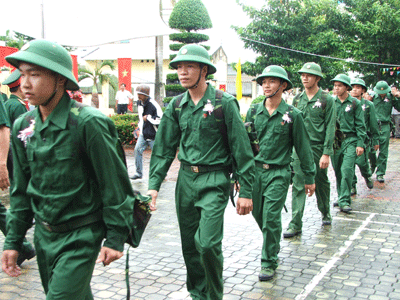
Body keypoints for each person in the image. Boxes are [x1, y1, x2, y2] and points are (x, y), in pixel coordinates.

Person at [1, 40, 135, 299]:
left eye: (35, 74)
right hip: (44, 235)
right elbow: (20, 191)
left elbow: (114, 185)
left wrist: (116, 236)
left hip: (81, 236)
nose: (25, 83)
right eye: (23, 74)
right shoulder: (23, 125)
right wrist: (13, 240)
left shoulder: (88, 123)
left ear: (60, 80)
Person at [147, 44, 254, 299]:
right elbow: (163, 149)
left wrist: (246, 190)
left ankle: (214, 296)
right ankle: (198, 294)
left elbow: (242, 150)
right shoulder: (176, 106)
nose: (182, 72)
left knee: (207, 245)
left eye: (190, 66)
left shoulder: (223, 103)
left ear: (204, 70)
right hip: (185, 180)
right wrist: (153, 186)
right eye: (179, 67)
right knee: (189, 248)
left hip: (214, 179)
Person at [245, 65, 316, 280]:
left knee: (271, 217)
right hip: (256, 173)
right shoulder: (253, 111)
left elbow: (303, 148)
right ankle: (272, 242)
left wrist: (310, 178)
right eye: (264, 82)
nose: (266, 85)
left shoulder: (293, 115)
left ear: (283, 85)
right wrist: (239, 176)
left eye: (272, 81)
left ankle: (268, 261)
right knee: (259, 215)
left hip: (279, 173)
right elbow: (245, 146)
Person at [284, 62, 335, 239]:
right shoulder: (297, 99)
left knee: (321, 182)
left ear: (317, 78)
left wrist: (326, 153)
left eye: (309, 75)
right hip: (299, 150)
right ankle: (296, 223)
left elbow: (330, 127)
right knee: (298, 184)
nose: (305, 78)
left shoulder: (327, 99)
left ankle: (325, 211)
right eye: (302, 75)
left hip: (318, 148)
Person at [1, 69, 36, 266]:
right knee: (22, 188)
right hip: (17, 155)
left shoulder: (7, 104)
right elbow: (27, 134)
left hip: (9, 156)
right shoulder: (19, 107)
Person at [331, 74, 366, 213]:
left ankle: (345, 200)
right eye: (335, 86)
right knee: (338, 171)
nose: (336, 88)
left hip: (351, 140)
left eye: (339, 85)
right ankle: (341, 197)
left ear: (347, 87)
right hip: (335, 141)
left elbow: (360, 125)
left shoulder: (354, 103)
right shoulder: (331, 102)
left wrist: (360, 143)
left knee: (347, 170)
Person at [366, 81, 400, 183]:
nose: (382, 94)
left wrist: (398, 97)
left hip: (385, 125)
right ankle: (373, 164)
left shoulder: (391, 97)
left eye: (384, 92)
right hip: (373, 125)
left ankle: (380, 173)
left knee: (383, 151)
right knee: (371, 149)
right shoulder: (372, 97)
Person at [350, 78, 379, 194]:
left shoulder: (368, 105)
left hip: (363, 138)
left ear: (363, 90)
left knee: (362, 162)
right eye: (353, 87)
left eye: (358, 87)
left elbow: (373, 123)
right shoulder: (348, 103)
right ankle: (352, 185)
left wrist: (376, 139)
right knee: (349, 163)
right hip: (349, 137)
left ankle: (367, 176)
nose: (355, 89)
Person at [130, 85, 163, 180]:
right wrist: (139, 126)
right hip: (143, 134)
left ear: (146, 95)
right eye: (138, 94)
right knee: (137, 150)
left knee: (157, 155)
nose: (138, 96)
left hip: (154, 134)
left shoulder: (153, 104)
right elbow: (141, 117)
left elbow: (160, 119)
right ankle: (138, 173)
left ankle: (160, 174)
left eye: (141, 94)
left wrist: (148, 118)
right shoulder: (139, 103)